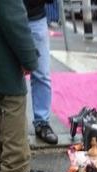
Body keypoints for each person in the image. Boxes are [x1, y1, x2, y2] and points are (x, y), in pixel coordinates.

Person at [0, 0, 46, 172]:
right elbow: (13, 20)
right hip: (2, 52)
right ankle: (15, 168)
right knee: (13, 101)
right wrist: (29, 58)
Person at [24, 0, 58, 145]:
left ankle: (42, 122)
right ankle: (5, 125)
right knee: (7, 74)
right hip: (6, 15)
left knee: (42, 74)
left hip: (35, 17)